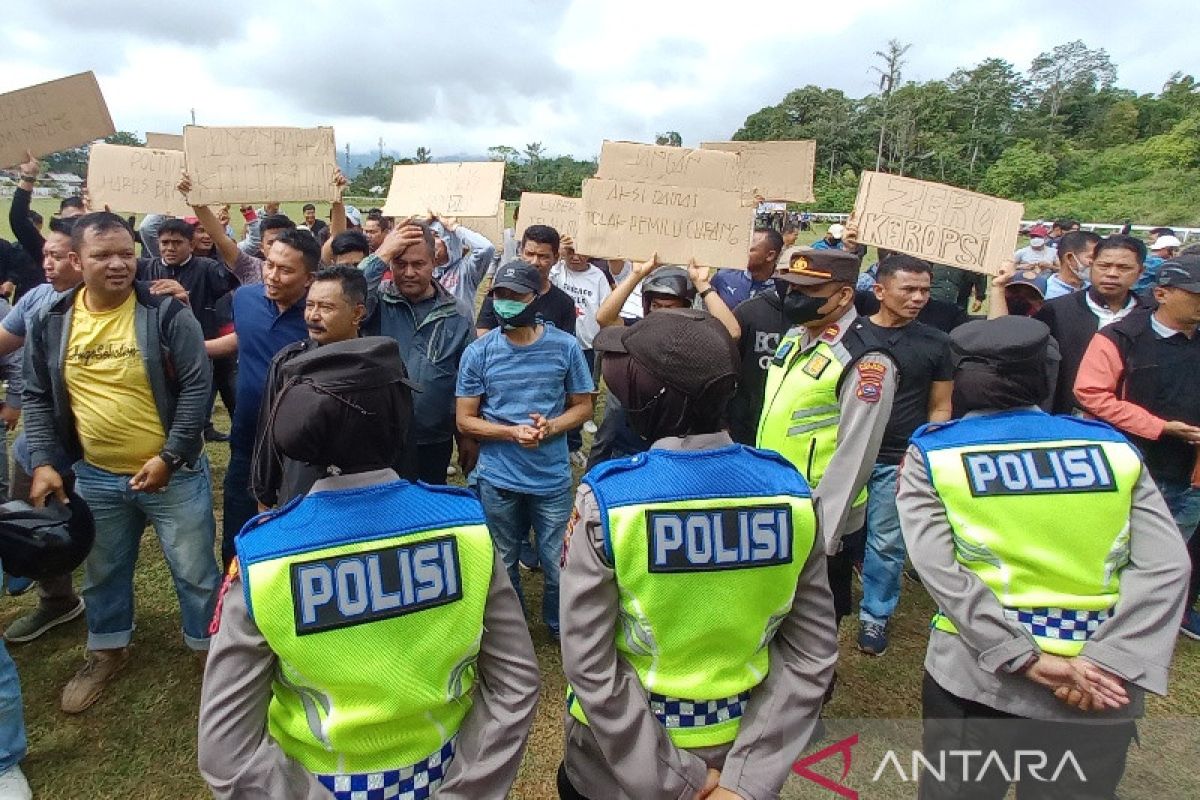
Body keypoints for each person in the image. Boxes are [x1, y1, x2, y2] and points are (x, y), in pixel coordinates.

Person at [199, 336, 540, 800]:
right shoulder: (465, 530)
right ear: (400, 421)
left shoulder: (264, 558)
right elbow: (515, 684)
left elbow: (226, 753)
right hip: (446, 771)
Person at [899, 315, 1188, 800]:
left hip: (980, 677)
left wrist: (1021, 656)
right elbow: (1167, 567)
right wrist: (1107, 661)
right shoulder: (1111, 449)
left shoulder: (936, 457)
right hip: (1099, 685)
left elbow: (940, 571)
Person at [558, 308, 836, 800]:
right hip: (736, 751)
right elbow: (811, 652)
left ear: (648, 393)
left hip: (616, 764)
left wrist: (677, 780)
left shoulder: (609, 502)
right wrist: (745, 782)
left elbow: (589, 661)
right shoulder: (792, 494)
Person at [23, 212, 220, 714]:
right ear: (75, 260)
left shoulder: (167, 315)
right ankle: (107, 649)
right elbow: (38, 396)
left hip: (173, 477)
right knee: (104, 570)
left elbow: (198, 387)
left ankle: (209, 655)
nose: (118, 264)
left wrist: (171, 457)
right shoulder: (51, 320)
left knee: (195, 571)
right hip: (95, 475)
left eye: (126, 254)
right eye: (102, 255)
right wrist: (46, 460)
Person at [757, 248, 897, 624]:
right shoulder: (794, 336)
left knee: (815, 620)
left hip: (820, 513)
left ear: (844, 295)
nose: (793, 297)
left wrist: (825, 537)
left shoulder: (865, 359)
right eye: (791, 287)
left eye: (808, 291)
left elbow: (857, 452)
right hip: (777, 497)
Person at [455, 260, 594, 639]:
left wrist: (552, 427)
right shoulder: (479, 353)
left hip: (550, 479)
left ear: (536, 299)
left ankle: (558, 625)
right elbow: (465, 419)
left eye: (515, 296)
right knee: (503, 557)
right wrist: (510, 432)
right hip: (497, 476)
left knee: (556, 560)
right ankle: (512, 629)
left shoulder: (565, 348)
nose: (505, 304)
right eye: (499, 295)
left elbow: (583, 405)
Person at [1074, 254, 1200, 638]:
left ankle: (1145, 625)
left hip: (1190, 476)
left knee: (1170, 555)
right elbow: (1091, 393)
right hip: (1133, 466)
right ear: (1162, 293)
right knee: (1114, 549)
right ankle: (1100, 621)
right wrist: (1161, 427)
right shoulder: (1119, 338)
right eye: (1195, 294)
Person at [856, 255, 953, 656]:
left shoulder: (937, 343)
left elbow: (941, 405)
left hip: (896, 457)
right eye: (908, 290)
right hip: (844, 454)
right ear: (880, 291)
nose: (918, 298)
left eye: (925, 291)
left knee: (886, 541)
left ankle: (875, 615)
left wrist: (922, 453)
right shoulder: (849, 335)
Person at [0, 218, 87, 644]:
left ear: (81, 258)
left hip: (92, 447)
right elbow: (5, 340)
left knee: (91, 528)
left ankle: (109, 618)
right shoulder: (35, 298)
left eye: (56, 256)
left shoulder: (110, 304)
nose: (46, 263)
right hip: (35, 441)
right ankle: (57, 600)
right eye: (46, 255)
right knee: (33, 524)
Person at [213, 229, 320, 566]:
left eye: (285, 270)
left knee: (298, 528)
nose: (272, 276)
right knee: (240, 528)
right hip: (247, 439)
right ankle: (236, 594)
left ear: (309, 278)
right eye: (269, 265)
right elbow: (245, 341)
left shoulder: (320, 316)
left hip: (300, 445)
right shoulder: (244, 299)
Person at [590, 259, 740, 467]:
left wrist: (702, 284)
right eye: (655, 306)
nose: (660, 313)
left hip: (676, 446)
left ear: (686, 307)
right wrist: (636, 275)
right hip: (630, 444)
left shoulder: (696, 340)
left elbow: (732, 332)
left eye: (669, 307)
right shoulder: (638, 331)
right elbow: (604, 318)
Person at [363, 221, 478, 483]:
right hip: (376, 435)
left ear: (434, 262)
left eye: (418, 264)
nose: (409, 272)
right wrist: (380, 255)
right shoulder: (375, 302)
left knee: (425, 511)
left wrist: (466, 436)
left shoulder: (457, 313)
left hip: (432, 439)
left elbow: (467, 380)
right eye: (400, 264)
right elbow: (346, 294)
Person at [251, 266, 374, 508]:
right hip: (300, 493)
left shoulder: (377, 365)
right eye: (310, 305)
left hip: (364, 497)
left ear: (357, 313)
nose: (313, 316)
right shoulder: (288, 363)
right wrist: (263, 497)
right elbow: (267, 436)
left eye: (326, 307)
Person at [1034, 235, 1150, 415]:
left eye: (1123, 268)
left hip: (1136, 417)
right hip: (1069, 416)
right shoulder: (1057, 310)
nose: (1112, 273)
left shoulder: (1150, 315)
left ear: (1140, 272)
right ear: (1091, 265)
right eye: (1104, 266)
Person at [476, 225, 574, 336]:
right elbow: (482, 334)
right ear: (521, 252)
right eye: (530, 254)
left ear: (556, 258)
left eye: (543, 256)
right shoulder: (500, 294)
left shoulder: (564, 303)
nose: (534, 262)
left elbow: (565, 345)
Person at [429, 216, 496, 308]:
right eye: (428, 236)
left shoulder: (466, 270)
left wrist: (455, 228)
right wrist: (418, 225)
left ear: (449, 241)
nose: (430, 241)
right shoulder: (423, 270)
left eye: (436, 235)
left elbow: (486, 248)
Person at [708, 227, 781, 308]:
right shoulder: (723, 277)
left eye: (749, 250)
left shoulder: (782, 289)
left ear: (770, 255)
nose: (741, 253)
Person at [1044, 230, 1101, 300]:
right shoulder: (1045, 293)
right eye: (1093, 257)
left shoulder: (1097, 291)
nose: (1100, 263)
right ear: (1069, 258)